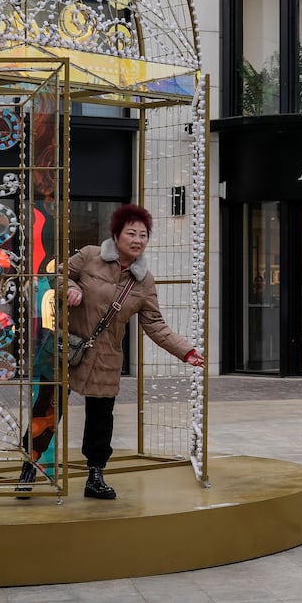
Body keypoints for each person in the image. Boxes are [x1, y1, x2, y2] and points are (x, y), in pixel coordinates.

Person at [59, 205, 204, 499]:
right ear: (116, 234)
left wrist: (186, 351)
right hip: (67, 348)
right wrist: (70, 287)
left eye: (143, 235)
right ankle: (30, 467)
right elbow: (57, 274)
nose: (138, 240)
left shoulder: (144, 280)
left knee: (100, 419)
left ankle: (95, 476)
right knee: (47, 409)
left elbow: (155, 324)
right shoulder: (89, 256)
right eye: (131, 233)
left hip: (106, 356)